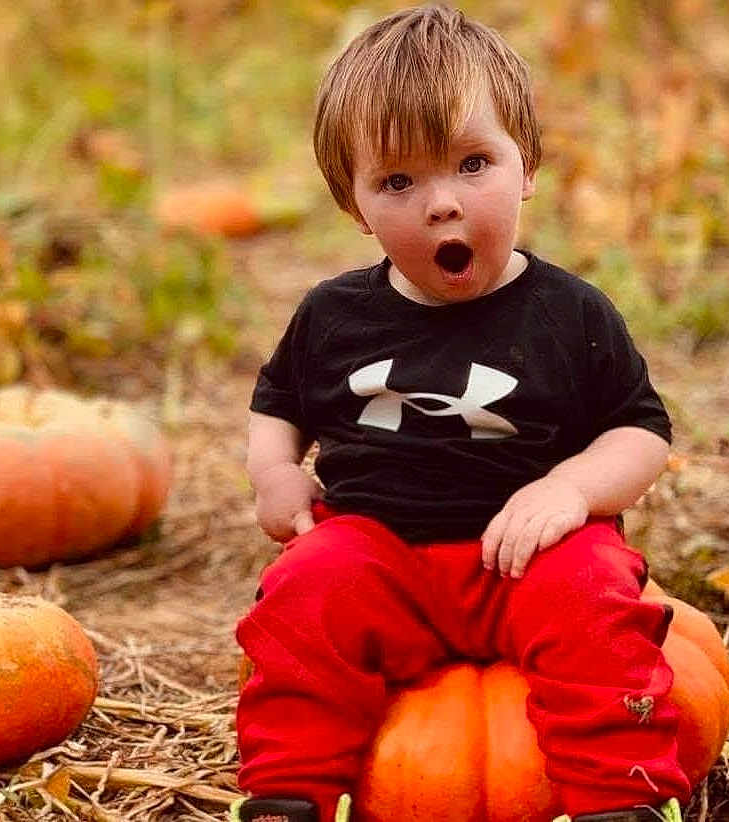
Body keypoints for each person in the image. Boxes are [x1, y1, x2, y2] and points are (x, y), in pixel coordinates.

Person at [232, 6, 688, 822]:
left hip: (527, 557)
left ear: (529, 167)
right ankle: (288, 792)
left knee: (596, 597)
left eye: (473, 163)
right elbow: (280, 404)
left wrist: (573, 491)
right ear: (356, 207)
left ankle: (623, 797)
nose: (442, 204)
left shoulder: (571, 314)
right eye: (398, 181)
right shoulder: (333, 315)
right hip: (378, 552)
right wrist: (274, 472)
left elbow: (640, 430)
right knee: (302, 594)